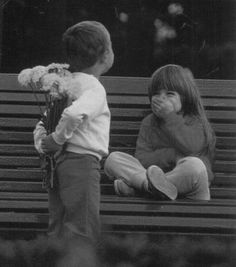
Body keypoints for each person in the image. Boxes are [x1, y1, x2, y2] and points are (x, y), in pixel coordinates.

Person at [33, 21, 114, 244]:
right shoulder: (94, 88)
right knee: (82, 226)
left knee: (57, 225)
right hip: (82, 164)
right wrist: (58, 139)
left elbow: (43, 123)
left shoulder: (65, 85)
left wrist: (44, 144)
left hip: (57, 164)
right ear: (106, 55)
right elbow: (72, 115)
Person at [104, 64, 215, 201]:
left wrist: (170, 117)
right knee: (113, 159)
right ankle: (151, 187)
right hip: (150, 178)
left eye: (169, 94)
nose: (162, 98)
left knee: (195, 166)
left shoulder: (194, 119)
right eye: (157, 93)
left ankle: (143, 189)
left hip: (191, 191)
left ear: (184, 97)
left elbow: (192, 147)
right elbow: (142, 159)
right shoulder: (149, 122)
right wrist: (171, 155)